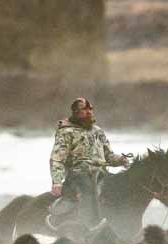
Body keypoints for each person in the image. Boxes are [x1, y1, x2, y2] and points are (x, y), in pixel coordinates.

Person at [49, 97, 130, 231]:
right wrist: (57, 182)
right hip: (78, 175)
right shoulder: (66, 132)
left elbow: (108, 155)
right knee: (89, 190)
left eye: (90, 109)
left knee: (119, 187)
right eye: (84, 109)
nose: (89, 112)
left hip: (100, 173)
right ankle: (89, 226)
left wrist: (121, 160)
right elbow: (57, 158)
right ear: (75, 112)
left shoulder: (97, 131)